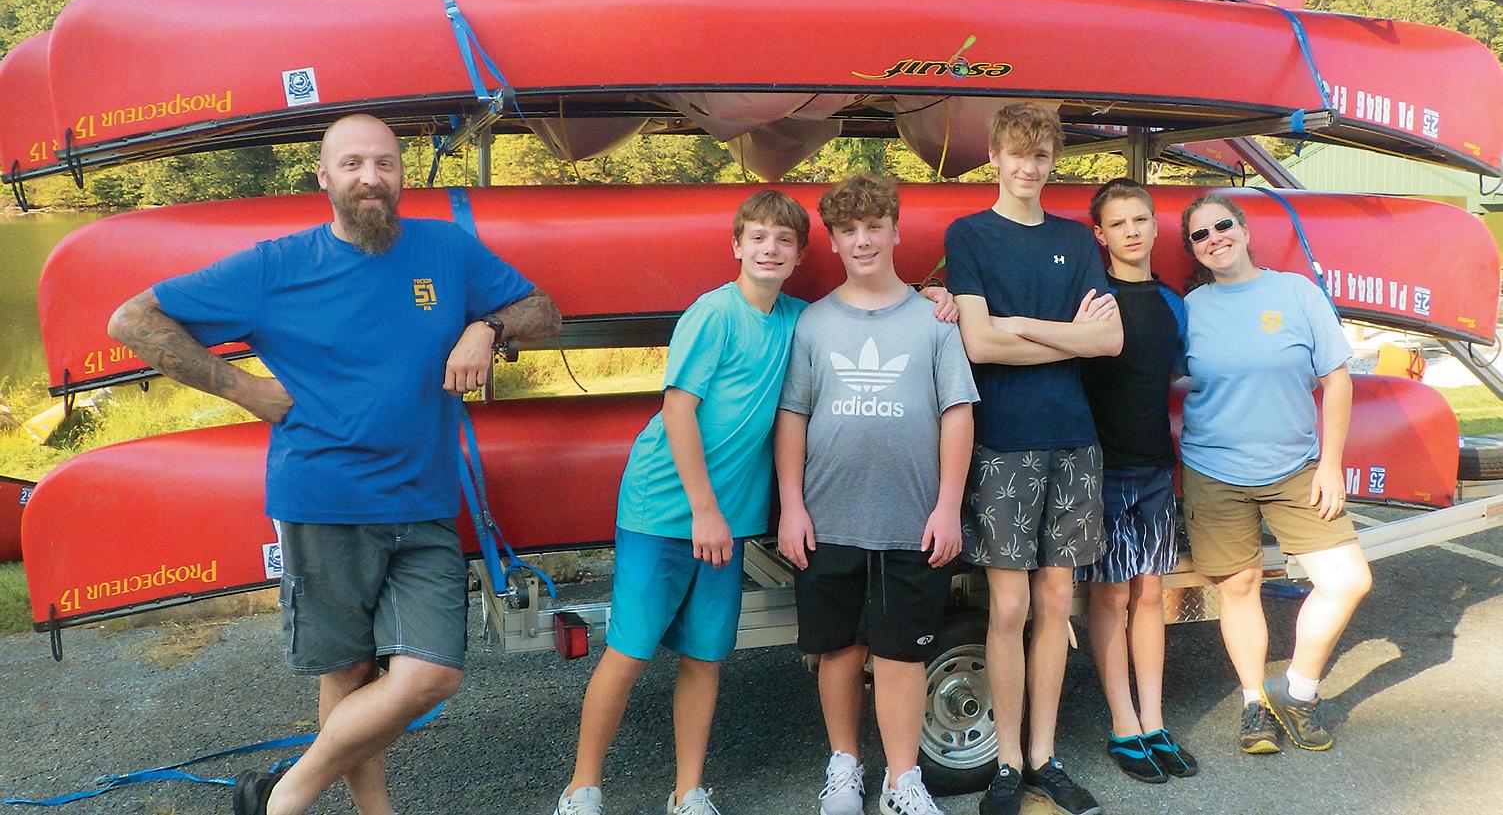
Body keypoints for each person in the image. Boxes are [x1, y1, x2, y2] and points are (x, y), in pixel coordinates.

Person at [106, 114, 562, 815]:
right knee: (348, 672)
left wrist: (486, 325)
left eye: (384, 163)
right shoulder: (275, 267)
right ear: (323, 177)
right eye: (352, 164)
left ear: (402, 174)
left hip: (425, 499)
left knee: (432, 675)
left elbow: (545, 311)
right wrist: (244, 388)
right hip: (326, 498)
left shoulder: (445, 248)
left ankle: (283, 797)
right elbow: (132, 319)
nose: (370, 178)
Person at [550, 190, 810, 815]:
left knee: (706, 656)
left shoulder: (799, 319)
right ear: (736, 245)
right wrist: (703, 510)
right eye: (758, 237)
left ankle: (689, 791)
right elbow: (678, 409)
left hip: (730, 517)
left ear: (799, 255)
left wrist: (935, 297)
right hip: (666, 508)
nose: (770, 249)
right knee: (629, 652)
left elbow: (864, 309)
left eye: (784, 240)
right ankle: (582, 788)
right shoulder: (713, 314)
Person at [774, 174, 977, 815]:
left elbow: (957, 413)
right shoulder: (813, 323)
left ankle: (902, 781)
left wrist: (948, 505)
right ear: (833, 242)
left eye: (873, 227)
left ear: (895, 233)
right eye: (848, 230)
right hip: (828, 515)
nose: (862, 241)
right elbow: (793, 416)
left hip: (912, 519)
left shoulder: (933, 320)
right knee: (837, 649)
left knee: (901, 654)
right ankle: (845, 767)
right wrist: (792, 505)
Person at [943, 102, 1122, 815]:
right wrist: (1061, 336)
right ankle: (1006, 761)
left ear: (1052, 161)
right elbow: (978, 345)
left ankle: (1043, 755)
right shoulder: (969, 234)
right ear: (994, 157)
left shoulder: (1075, 240)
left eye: (1041, 155)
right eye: (1017, 154)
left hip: (1073, 440)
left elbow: (1107, 341)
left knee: (1053, 601)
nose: (1028, 167)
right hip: (1002, 442)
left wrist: (1016, 323)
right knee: (1009, 604)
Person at [1178, 194, 1372, 755]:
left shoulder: (1296, 292)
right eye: (1199, 235)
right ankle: (1254, 704)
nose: (1214, 238)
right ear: (1193, 249)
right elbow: (1163, 377)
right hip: (1213, 468)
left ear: (1243, 230)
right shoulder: (1189, 309)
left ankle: (1297, 690)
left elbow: (1337, 380)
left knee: (1348, 580)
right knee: (1239, 587)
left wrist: (1330, 464)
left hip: (1294, 467)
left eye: (1222, 225)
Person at [1077, 180, 1198, 783]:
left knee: (1151, 595)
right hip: (1100, 468)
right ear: (1100, 235)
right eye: (1118, 223)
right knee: (1111, 597)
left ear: (1154, 226)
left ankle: (1154, 721)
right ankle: (1123, 725)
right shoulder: (1091, 298)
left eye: (1140, 220)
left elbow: (1175, 377)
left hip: (1153, 466)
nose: (1131, 231)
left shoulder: (1173, 303)